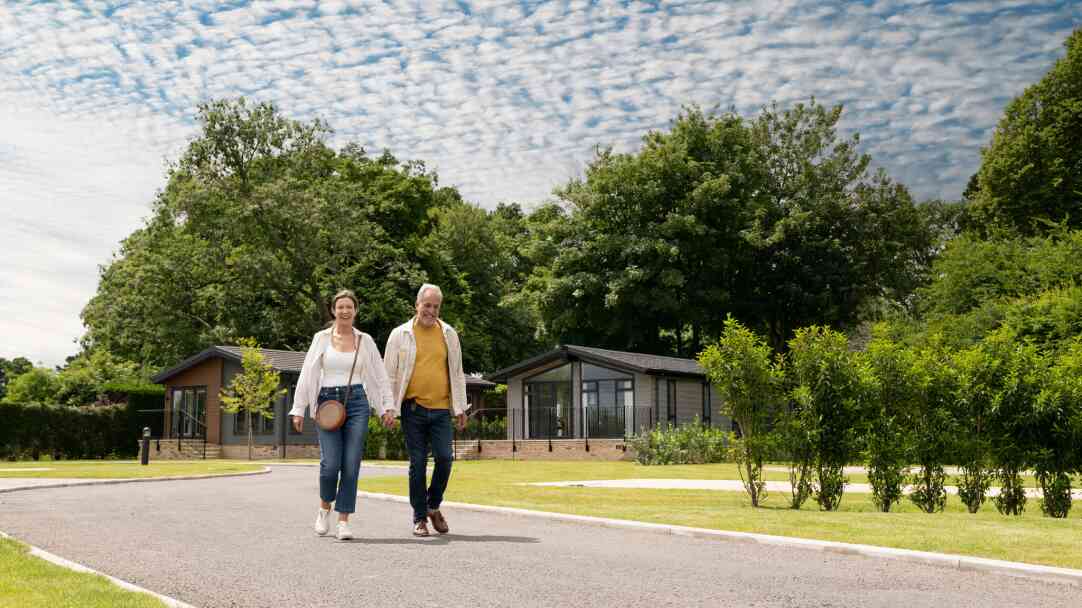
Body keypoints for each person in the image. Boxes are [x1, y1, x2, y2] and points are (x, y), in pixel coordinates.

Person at [289, 289, 394, 540]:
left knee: (351, 463)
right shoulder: (321, 338)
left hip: (357, 401)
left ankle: (344, 520)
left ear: (355, 311)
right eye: (340, 307)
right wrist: (298, 408)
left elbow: (380, 376)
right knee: (330, 465)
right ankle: (325, 507)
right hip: (327, 403)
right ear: (333, 311)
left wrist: (386, 407)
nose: (345, 311)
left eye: (349, 307)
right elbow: (307, 374)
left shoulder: (365, 340)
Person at [384, 283, 467, 537]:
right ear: (417, 305)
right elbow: (389, 374)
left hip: (442, 408)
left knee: (444, 458)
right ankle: (419, 518)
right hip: (413, 408)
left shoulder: (449, 333)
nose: (431, 311)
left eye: (435, 306)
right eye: (427, 305)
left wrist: (461, 407)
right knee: (417, 463)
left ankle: (432, 505)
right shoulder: (400, 334)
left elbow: (457, 371)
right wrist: (388, 408)